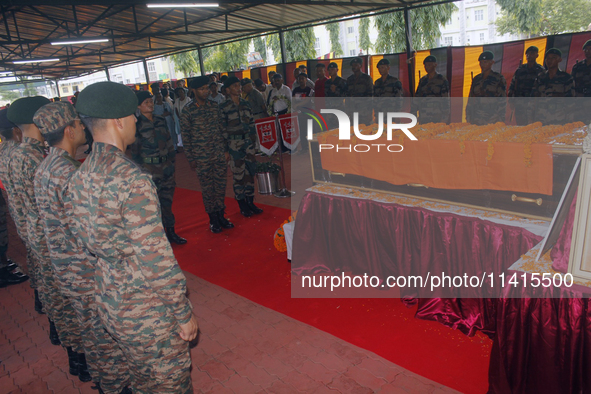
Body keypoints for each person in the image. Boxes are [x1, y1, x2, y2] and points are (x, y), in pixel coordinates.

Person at [71, 81, 198, 393]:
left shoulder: (81, 175)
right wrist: (182, 312)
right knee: (170, 385)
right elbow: (155, 258)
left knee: (140, 382)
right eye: (132, 117)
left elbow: (86, 243)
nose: (135, 122)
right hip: (146, 311)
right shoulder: (131, 179)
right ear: (117, 121)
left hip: (110, 301)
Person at [32, 101, 132, 393]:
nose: (82, 129)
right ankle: (113, 386)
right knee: (104, 338)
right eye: (78, 125)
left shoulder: (45, 167)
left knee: (90, 332)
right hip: (84, 270)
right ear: (69, 131)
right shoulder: (69, 173)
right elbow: (91, 229)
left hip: (65, 268)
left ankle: (102, 381)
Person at [6, 97, 56, 331]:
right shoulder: (34, 157)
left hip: (32, 230)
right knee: (58, 294)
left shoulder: (19, 153)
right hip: (45, 234)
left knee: (47, 286)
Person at [131, 91, 186, 245]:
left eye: (151, 101)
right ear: (139, 106)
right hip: (149, 170)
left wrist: (172, 164)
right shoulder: (137, 126)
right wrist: (140, 173)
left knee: (167, 203)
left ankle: (172, 232)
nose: (150, 104)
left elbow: (169, 143)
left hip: (166, 168)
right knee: (153, 205)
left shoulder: (160, 120)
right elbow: (135, 153)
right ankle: (159, 237)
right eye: (146, 102)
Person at [180, 76, 233, 233]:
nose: (206, 92)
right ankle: (213, 219)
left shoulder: (214, 106)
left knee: (220, 186)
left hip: (218, 154)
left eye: (207, 88)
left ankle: (221, 215)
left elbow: (222, 128)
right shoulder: (188, 110)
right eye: (202, 89)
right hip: (201, 157)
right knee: (208, 188)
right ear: (194, 90)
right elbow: (186, 136)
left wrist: (225, 150)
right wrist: (191, 158)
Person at [219, 76, 263, 217]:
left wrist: (253, 143)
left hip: (248, 143)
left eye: (239, 85)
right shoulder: (223, 107)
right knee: (238, 175)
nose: (238, 88)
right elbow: (222, 129)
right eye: (235, 86)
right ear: (227, 90)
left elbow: (251, 124)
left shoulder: (245, 103)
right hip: (234, 145)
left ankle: (250, 202)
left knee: (250, 172)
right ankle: (242, 204)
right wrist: (226, 150)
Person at [0, 108, 29, 288]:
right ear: (17, 131)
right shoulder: (21, 153)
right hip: (27, 213)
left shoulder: (3, 149)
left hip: (17, 209)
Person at [530, 48, 575, 125]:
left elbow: (570, 102)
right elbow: (533, 99)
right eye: (548, 58)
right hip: (541, 119)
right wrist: (531, 119)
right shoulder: (540, 77)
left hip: (559, 120)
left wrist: (569, 123)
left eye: (553, 58)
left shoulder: (566, 78)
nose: (549, 60)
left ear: (559, 60)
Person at [465, 51, 507, 125]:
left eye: (485, 62)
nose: (482, 65)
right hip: (476, 117)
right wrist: (468, 116)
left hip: (492, 118)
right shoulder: (476, 79)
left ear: (492, 62)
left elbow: (502, 100)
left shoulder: (498, 78)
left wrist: (500, 119)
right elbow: (470, 99)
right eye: (481, 62)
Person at [508, 46, 545, 125]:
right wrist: (511, 100)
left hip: (534, 102)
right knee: (521, 124)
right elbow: (513, 84)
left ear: (537, 55)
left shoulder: (541, 70)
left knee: (533, 124)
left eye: (532, 53)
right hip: (520, 102)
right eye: (527, 54)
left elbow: (544, 87)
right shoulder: (520, 70)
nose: (529, 55)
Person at [413, 55, 450, 124]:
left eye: (429, 65)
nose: (427, 67)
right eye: (425, 65)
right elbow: (416, 99)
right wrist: (413, 114)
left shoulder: (442, 80)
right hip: (424, 117)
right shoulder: (423, 80)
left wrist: (444, 119)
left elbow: (445, 100)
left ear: (435, 65)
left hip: (437, 118)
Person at [346, 57, 373, 125]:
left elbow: (371, 95)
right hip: (353, 113)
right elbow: (347, 97)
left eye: (356, 65)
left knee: (366, 132)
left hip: (364, 112)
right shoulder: (349, 79)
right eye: (352, 65)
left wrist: (370, 112)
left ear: (360, 66)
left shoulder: (367, 78)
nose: (354, 67)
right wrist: (348, 111)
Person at [571, 39, 591, 123]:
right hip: (580, 101)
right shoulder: (577, 67)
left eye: (590, 49)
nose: (587, 51)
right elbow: (571, 84)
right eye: (585, 49)